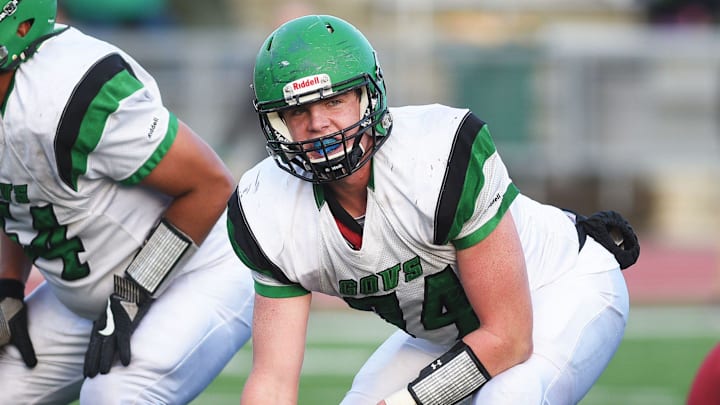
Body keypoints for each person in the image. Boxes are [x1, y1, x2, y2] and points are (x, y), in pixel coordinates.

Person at [231, 14, 640, 405]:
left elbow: (510, 338)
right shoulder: (266, 209)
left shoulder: (435, 159)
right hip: (451, 333)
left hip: (556, 291)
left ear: (366, 97)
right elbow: (272, 381)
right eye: (298, 110)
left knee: (508, 398)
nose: (318, 123)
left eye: (334, 100)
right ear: (277, 122)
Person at [0, 0, 254, 403]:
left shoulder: (65, 93)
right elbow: (17, 193)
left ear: (19, 24)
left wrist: (131, 293)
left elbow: (210, 184)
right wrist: (8, 286)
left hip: (195, 271)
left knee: (112, 395)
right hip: (87, 296)